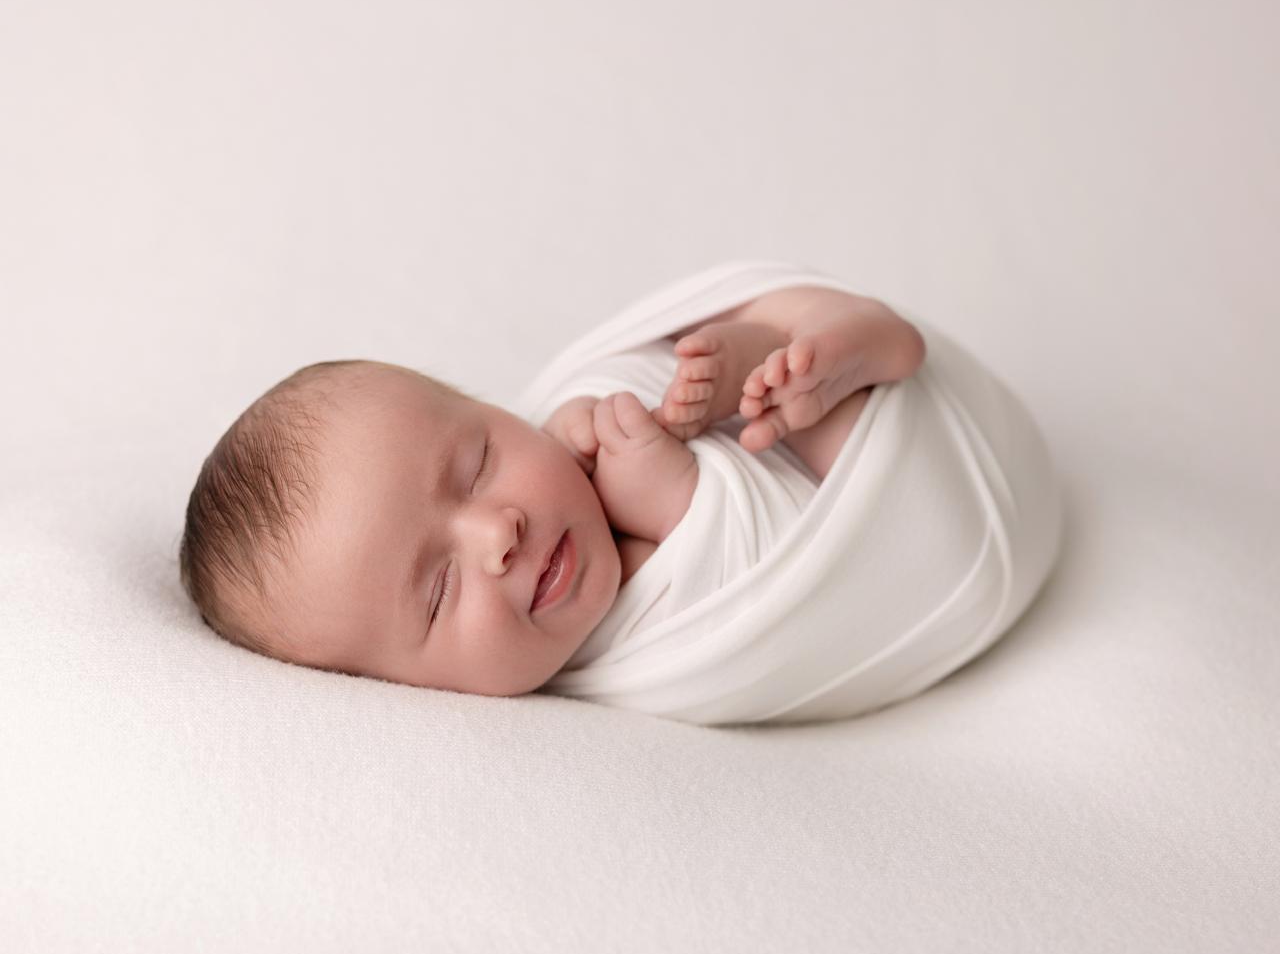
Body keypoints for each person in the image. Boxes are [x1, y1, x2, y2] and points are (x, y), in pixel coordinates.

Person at [178, 284, 926, 696]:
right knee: (810, 452)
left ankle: (824, 335)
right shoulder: (629, 663)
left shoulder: (574, 426)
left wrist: (619, 417)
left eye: (477, 466)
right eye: (439, 591)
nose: (497, 534)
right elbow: (775, 586)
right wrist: (671, 501)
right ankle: (799, 367)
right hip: (912, 536)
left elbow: (609, 394)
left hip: (885, 424)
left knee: (705, 357)